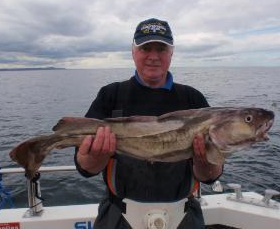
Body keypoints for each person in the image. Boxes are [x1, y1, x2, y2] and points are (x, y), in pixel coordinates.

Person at [74, 18, 223, 229]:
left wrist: (205, 161)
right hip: (119, 217)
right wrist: (95, 157)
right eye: (146, 48)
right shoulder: (111, 95)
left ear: (171, 53)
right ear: (133, 51)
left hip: (183, 216)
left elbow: (209, 177)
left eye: (161, 48)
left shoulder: (193, 99)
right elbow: (84, 168)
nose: (153, 56)